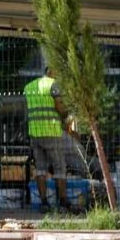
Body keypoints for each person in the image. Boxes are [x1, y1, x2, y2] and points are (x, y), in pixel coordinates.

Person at [24, 68, 71, 212]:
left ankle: (44, 203)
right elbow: (59, 106)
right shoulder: (53, 84)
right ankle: (62, 203)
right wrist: (66, 116)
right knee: (59, 167)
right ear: (51, 72)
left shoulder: (29, 87)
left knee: (40, 169)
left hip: (35, 133)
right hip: (51, 132)